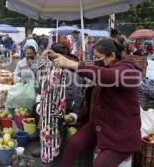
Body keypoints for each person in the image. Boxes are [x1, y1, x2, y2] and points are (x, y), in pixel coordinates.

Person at [45, 39, 142, 167]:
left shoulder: (128, 72)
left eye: (98, 57)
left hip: (121, 135)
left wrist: (72, 64)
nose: (96, 61)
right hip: (101, 124)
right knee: (73, 144)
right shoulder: (106, 67)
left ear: (112, 56)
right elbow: (91, 69)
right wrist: (62, 59)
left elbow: (107, 76)